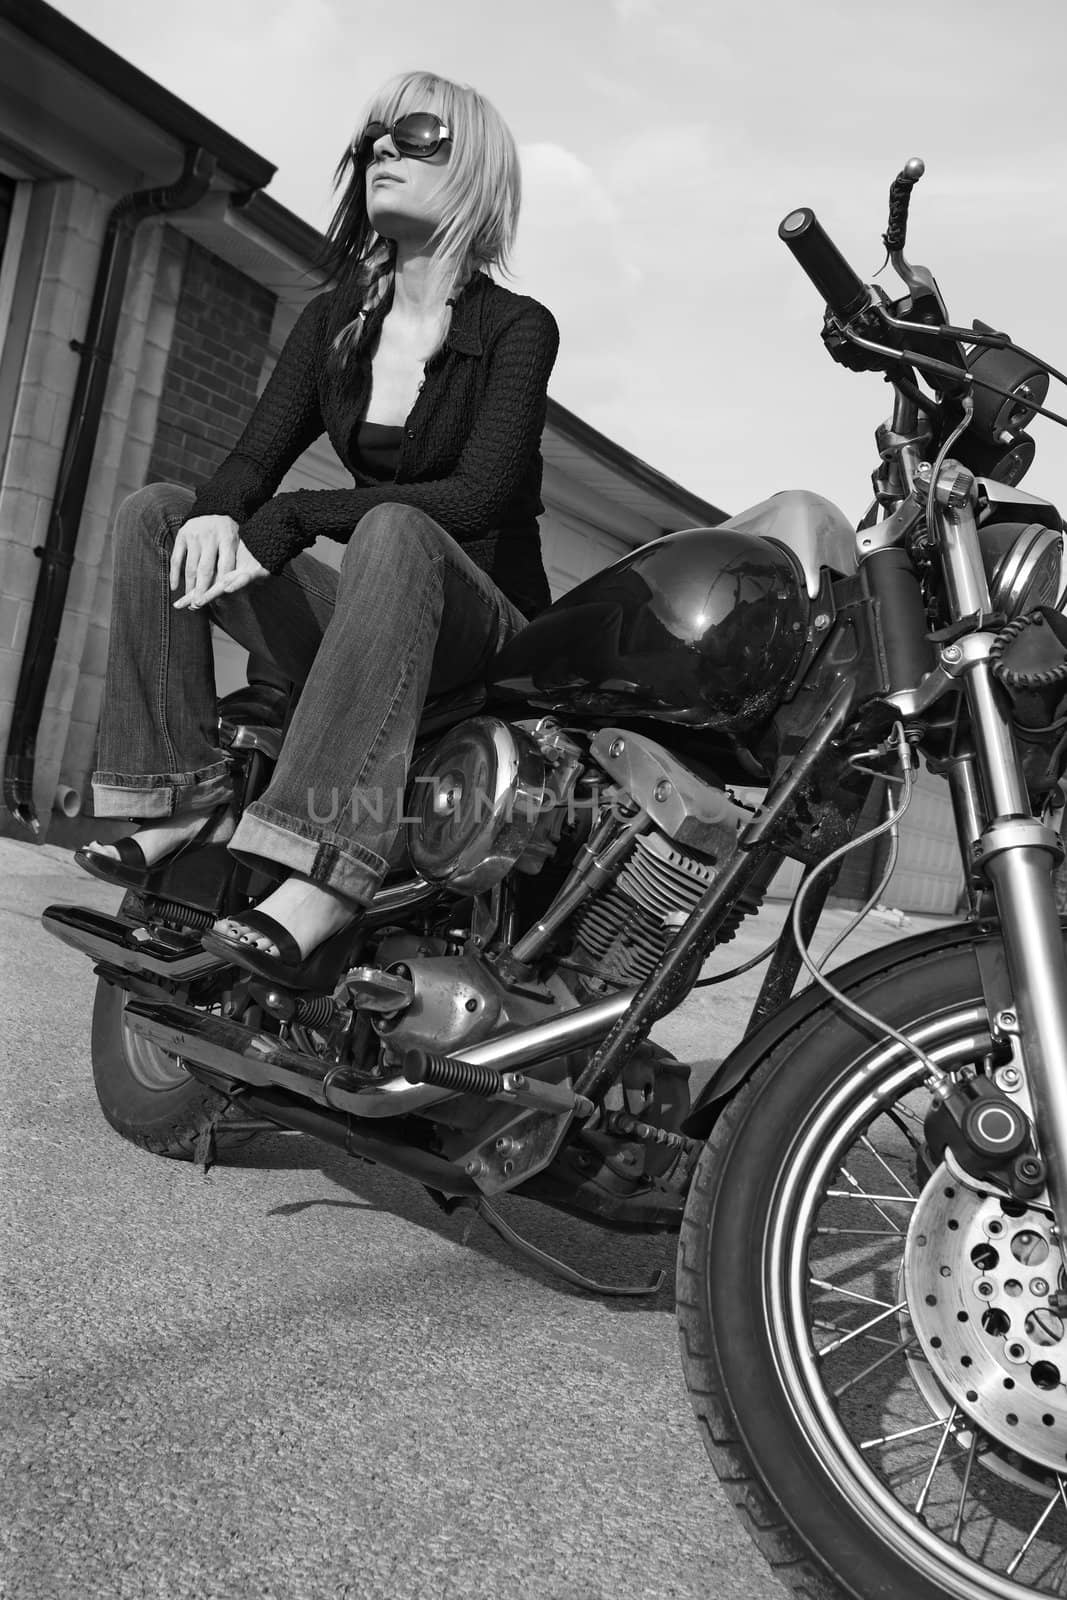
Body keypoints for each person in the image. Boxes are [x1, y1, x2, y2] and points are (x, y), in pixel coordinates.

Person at [80, 69, 559, 987]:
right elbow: (250, 465)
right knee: (158, 517)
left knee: (396, 528)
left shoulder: (516, 329)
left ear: (475, 170)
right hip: (377, 609)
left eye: (415, 136)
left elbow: (479, 497)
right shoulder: (336, 323)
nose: (381, 149)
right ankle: (184, 797)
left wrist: (295, 518)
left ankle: (324, 871)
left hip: (484, 633)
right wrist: (227, 514)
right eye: (372, 138)